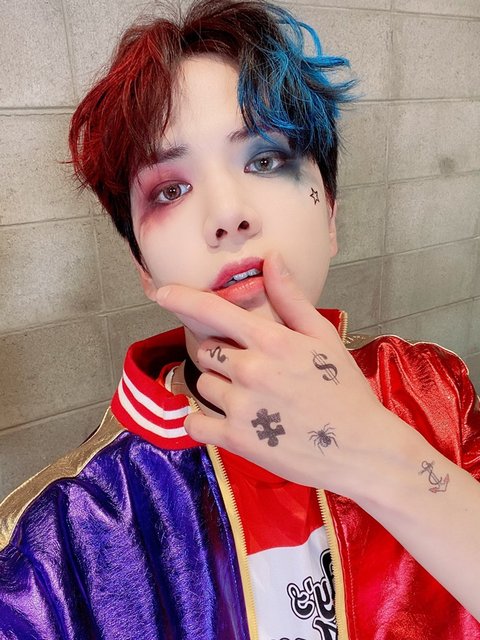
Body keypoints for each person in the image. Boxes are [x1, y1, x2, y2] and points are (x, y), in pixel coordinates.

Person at [0, 1, 479, 638]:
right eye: (171, 189)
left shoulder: (435, 390)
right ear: (143, 267)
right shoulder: (60, 536)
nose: (228, 215)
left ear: (331, 215)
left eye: (265, 160)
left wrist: (378, 456)